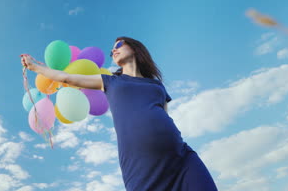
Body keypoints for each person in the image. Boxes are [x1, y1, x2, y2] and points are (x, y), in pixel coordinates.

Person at [21, 36, 218, 191]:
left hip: (181, 158)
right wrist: (36, 67)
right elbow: (66, 77)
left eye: (119, 44)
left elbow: (164, 116)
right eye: (111, 49)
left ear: (135, 48)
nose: (114, 50)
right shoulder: (109, 81)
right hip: (141, 166)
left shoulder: (156, 85)